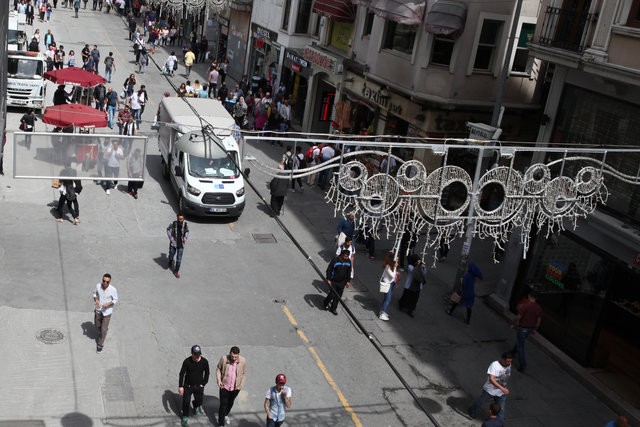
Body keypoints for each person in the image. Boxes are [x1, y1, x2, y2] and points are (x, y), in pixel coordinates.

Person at [468, 352, 512, 422]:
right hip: (490, 390)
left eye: (510, 361)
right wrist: (502, 388)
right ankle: (472, 410)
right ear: (502, 359)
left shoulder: (508, 365)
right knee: (480, 402)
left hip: (501, 392)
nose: (509, 363)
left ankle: (499, 423)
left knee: (501, 410)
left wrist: (503, 388)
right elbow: (491, 379)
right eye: (507, 361)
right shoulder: (494, 365)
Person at [216, 346, 248, 427]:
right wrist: (219, 380)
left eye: (235, 357)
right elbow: (218, 369)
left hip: (236, 388)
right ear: (230, 353)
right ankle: (221, 423)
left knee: (230, 402)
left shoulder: (243, 361)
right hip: (224, 386)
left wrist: (241, 385)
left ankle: (225, 414)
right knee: (223, 404)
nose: (234, 358)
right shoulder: (224, 359)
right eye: (232, 356)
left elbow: (244, 373)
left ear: (238, 355)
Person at [511, 291, 542, 372]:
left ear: (529, 296)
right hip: (529, 329)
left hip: (522, 328)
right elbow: (538, 321)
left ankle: (523, 365)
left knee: (521, 346)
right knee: (520, 341)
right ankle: (513, 352)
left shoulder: (526, 306)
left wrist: (513, 324)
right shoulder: (539, 308)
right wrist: (534, 329)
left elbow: (518, 317)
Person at [178, 345, 210, 427]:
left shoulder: (204, 362)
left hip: (199, 386)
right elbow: (182, 374)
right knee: (186, 402)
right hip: (188, 386)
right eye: (195, 354)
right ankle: (185, 417)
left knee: (199, 401)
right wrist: (180, 386)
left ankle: (195, 406)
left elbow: (207, 373)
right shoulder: (187, 361)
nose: (197, 356)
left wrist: (203, 383)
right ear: (192, 353)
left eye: (198, 354)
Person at [93, 273, 118, 353]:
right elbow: (94, 293)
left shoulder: (113, 290)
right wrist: (96, 299)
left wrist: (109, 304)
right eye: (104, 281)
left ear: (109, 282)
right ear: (102, 280)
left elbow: (115, 300)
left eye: (107, 282)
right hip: (98, 310)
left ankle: (100, 344)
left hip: (107, 312)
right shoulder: (98, 286)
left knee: (103, 330)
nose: (105, 283)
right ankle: (103, 330)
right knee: (97, 326)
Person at [323, 249, 352, 315]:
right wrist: (329, 279)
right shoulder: (335, 260)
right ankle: (325, 303)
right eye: (345, 256)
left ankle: (333, 309)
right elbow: (329, 270)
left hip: (342, 282)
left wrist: (348, 281)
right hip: (333, 281)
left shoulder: (348, 261)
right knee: (332, 295)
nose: (346, 258)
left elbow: (349, 272)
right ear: (341, 255)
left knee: (338, 296)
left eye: (347, 256)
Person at [167, 213, 189, 278]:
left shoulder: (185, 224)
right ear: (177, 218)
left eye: (182, 219)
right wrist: (170, 237)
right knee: (171, 254)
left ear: (183, 218)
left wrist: (185, 237)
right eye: (179, 219)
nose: (180, 220)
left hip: (181, 245)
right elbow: (168, 229)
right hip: (173, 244)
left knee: (179, 260)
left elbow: (187, 231)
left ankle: (176, 271)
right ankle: (170, 260)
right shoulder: (173, 224)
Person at [378, 252, 399, 321]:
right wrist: (395, 267)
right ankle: (381, 314)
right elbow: (392, 276)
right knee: (388, 299)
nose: (398, 261)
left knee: (386, 299)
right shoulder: (388, 266)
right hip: (387, 284)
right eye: (397, 259)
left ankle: (382, 310)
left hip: (391, 283)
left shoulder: (391, 266)